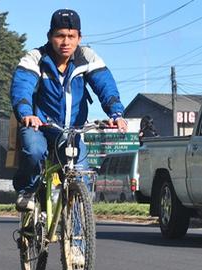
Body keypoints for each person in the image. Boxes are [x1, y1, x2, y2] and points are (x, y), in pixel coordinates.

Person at [10, 9, 128, 211]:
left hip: (72, 132)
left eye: (71, 36)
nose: (66, 42)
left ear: (79, 38)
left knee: (81, 176)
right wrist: (26, 113)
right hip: (40, 126)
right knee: (34, 151)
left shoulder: (87, 57)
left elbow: (105, 86)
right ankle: (27, 191)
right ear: (50, 36)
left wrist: (115, 113)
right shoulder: (36, 57)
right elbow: (22, 87)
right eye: (60, 36)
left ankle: (76, 240)